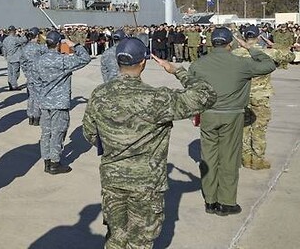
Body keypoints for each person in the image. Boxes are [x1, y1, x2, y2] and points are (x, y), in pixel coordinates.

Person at [82, 37, 217, 249]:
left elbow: (89, 133)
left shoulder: (99, 94)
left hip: (112, 179)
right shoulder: (157, 99)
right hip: (146, 183)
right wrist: (178, 71)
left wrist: (115, 144)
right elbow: (206, 95)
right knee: (140, 241)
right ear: (143, 63)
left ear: (118, 62)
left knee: (115, 237)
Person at [189, 27, 276, 216]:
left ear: (212, 42)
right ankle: (226, 202)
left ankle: (210, 201)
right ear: (230, 43)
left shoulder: (198, 64)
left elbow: (190, 85)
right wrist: (249, 48)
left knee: (209, 157)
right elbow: (268, 64)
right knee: (229, 157)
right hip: (232, 114)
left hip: (209, 114)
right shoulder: (241, 63)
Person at [232, 25, 295, 170]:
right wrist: (275, 45)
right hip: (260, 96)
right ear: (258, 36)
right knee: (259, 128)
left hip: (242, 95)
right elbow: (290, 56)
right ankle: (258, 159)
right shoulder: (267, 52)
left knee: (245, 127)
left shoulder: (235, 53)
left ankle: (246, 158)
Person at [33, 31, 90, 174]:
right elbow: (85, 58)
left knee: (46, 133)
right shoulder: (63, 60)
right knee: (58, 133)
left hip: (45, 103)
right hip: (59, 103)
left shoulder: (39, 60)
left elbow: (35, 82)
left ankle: (46, 161)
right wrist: (74, 45)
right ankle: (54, 163)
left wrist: (40, 99)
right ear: (58, 44)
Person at [21, 27, 47, 126]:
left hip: (29, 76)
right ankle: (36, 116)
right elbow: (51, 48)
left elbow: (22, 63)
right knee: (37, 96)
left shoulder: (25, 48)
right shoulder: (40, 47)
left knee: (31, 96)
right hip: (38, 75)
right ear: (37, 36)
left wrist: (27, 73)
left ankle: (30, 116)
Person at [1, 25, 27, 90]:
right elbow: (24, 40)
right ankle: (14, 85)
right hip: (15, 59)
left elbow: (3, 49)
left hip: (9, 58)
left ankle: (10, 84)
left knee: (10, 73)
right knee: (16, 73)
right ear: (13, 31)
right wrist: (22, 34)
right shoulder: (15, 39)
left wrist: (5, 56)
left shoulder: (5, 39)